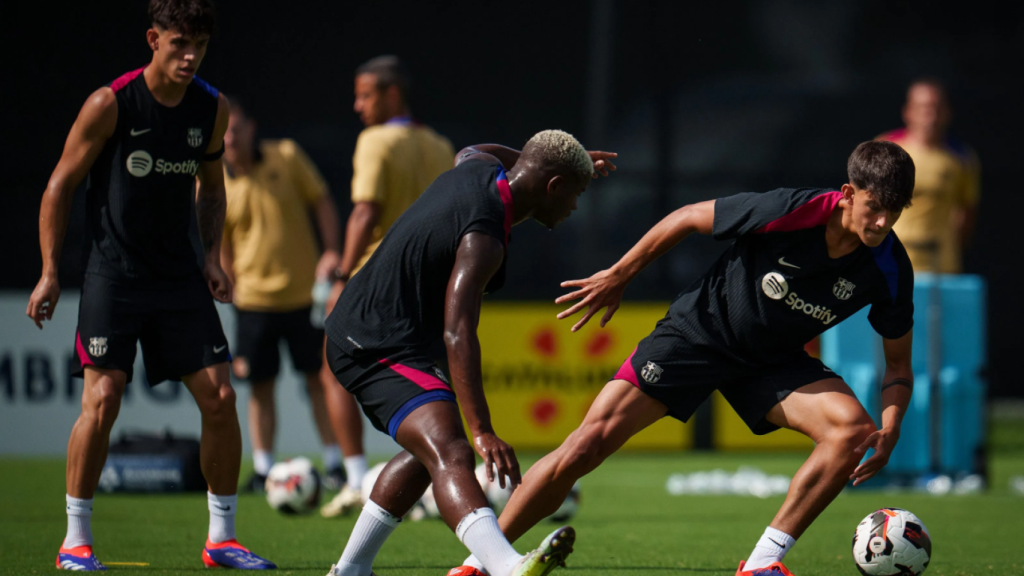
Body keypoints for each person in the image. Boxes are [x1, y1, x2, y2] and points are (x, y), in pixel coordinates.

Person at [452, 141, 916, 576]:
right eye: (874, 208)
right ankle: (477, 565)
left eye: (892, 213)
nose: (880, 223)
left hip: (771, 362)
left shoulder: (891, 267)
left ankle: (760, 565)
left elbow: (897, 364)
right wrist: (619, 275)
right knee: (585, 447)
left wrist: (891, 425)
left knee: (852, 431)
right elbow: (689, 217)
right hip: (699, 334)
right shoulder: (793, 210)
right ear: (849, 194)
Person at [25, 0, 273, 570]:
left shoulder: (212, 108)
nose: (190, 57)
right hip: (113, 276)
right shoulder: (110, 103)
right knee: (103, 398)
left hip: (179, 279)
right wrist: (49, 272)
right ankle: (76, 541)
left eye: (201, 47)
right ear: (152, 39)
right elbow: (58, 186)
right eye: (179, 44)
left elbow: (212, 188)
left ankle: (222, 539)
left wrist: (211, 256)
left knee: (223, 397)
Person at [322, 131, 617, 576]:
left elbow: (479, 148)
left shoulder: (477, 167)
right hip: (372, 341)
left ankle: (349, 571)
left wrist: (558, 160)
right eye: (575, 192)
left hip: (376, 333)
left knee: (430, 456)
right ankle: (505, 567)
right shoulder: (485, 237)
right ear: (553, 187)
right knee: (454, 451)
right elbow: (458, 332)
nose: (575, 206)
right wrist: (482, 431)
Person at [320, 55, 455, 518]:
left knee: (333, 367)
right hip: (428, 282)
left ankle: (358, 480)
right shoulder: (440, 145)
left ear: (391, 93)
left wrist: (340, 277)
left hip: (375, 284)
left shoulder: (376, 140)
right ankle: (433, 476)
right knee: (425, 378)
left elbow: (365, 211)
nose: (358, 106)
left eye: (365, 94)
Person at [220, 96, 348, 492]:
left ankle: (335, 465)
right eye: (221, 129)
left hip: (304, 295)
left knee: (320, 380)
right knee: (260, 387)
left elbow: (322, 201)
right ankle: (262, 469)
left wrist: (332, 251)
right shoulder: (213, 181)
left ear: (251, 126)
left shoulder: (287, 156)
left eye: (235, 125)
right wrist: (228, 282)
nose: (229, 135)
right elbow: (220, 242)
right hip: (252, 302)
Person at [878, 79, 980, 273]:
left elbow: (966, 213)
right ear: (907, 111)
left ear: (948, 113)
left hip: (940, 265)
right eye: (923, 108)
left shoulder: (962, 158)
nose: (930, 116)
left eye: (936, 108)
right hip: (889, 260)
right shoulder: (885, 149)